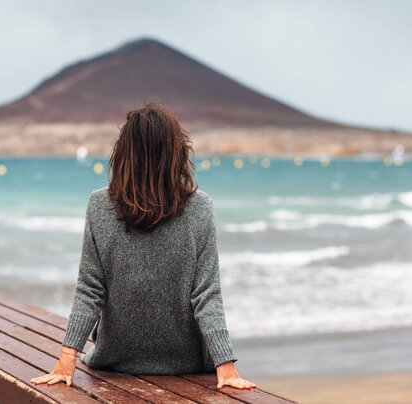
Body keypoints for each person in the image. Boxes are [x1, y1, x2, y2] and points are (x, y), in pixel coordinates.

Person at [31, 101, 256, 390]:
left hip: (116, 358)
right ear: (177, 152)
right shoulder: (201, 207)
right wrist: (225, 366)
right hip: (186, 360)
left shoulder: (100, 205)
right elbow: (206, 294)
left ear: (124, 153)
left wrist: (66, 359)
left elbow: (90, 288)